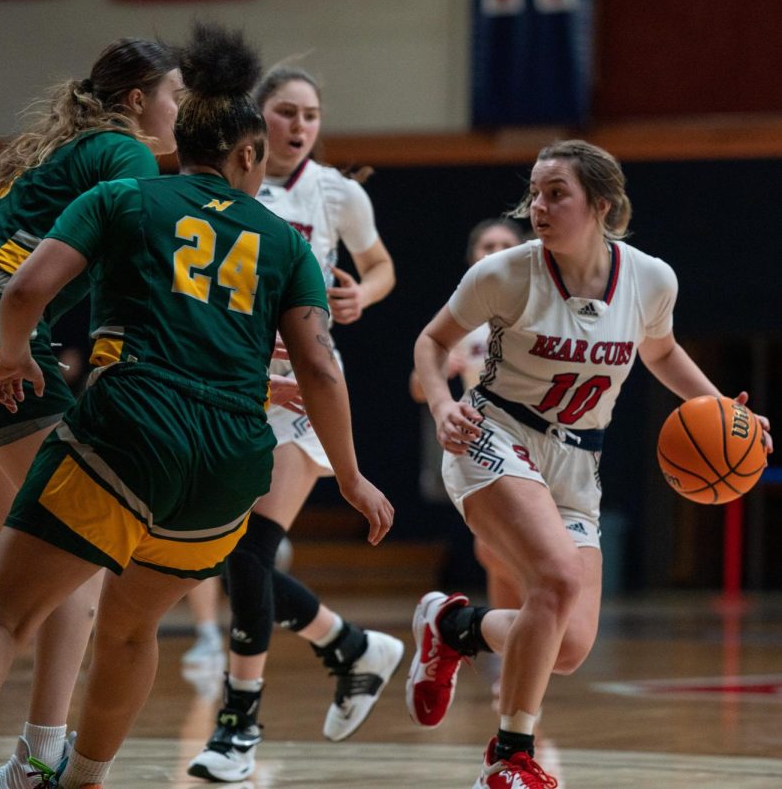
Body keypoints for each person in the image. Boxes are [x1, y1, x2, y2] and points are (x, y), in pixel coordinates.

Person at [0, 20, 394, 789]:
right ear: (246, 155)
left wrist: (19, 346)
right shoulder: (286, 242)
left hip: (100, 410)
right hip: (228, 456)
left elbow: (30, 288)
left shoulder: (128, 194)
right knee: (128, 629)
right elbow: (321, 368)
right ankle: (70, 769)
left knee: (11, 595)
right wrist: (354, 477)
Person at [407, 139, 773, 789]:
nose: (538, 207)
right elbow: (431, 342)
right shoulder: (506, 272)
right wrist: (441, 405)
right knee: (554, 578)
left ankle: (452, 625)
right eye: (535, 194)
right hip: (496, 431)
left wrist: (723, 410)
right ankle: (510, 756)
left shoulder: (651, 279)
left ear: (601, 205)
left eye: (556, 194)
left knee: (570, 644)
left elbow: (659, 352)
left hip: (578, 459)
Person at [0, 38, 184, 789]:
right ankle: (42, 755)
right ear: (137, 102)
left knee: (22, 549)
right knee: (75, 548)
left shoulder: (80, 147)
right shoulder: (127, 152)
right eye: (176, 95)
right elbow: (135, 266)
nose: (183, 110)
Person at [187, 63, 402, 783]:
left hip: (303, 387)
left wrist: (360, 295)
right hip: (234, 384)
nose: (300, 125)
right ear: (259, 117)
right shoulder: (226, 183)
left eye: (310, 114)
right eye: (285, 112)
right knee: (224, 552)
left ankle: (238, 726)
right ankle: (347, 644)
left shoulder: (338, 192)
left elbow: (380, 266)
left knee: (249, 554)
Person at [409, 217, 526, 614]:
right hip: (489, 441)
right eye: (486, 247)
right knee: (495, 547)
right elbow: (417, 386)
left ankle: (507, 641)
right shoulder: (462, 317)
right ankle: (510, 648)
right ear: (472, 257)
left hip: (545, 441)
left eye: (504, 245)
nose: (494, 254)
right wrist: (440, 375)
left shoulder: (540, 307)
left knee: (511, 548)